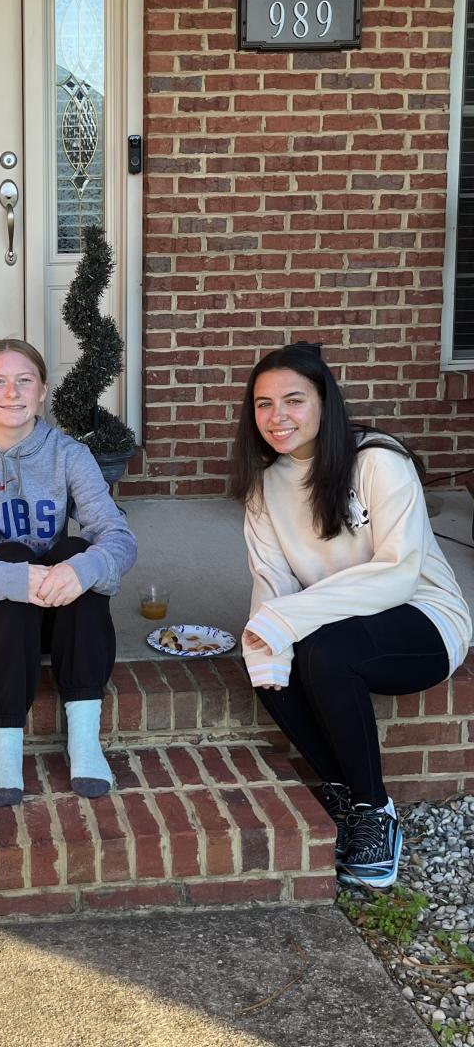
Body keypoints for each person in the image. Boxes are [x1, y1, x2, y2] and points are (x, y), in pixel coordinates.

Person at [230, 342, 471, 888]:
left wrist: (289, 620)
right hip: (334, 621)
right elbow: (272, 581)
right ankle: (341, 790)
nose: (277, 416)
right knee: (266, 652)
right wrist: (267, 636)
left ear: (324, 401)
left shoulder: (378, 460)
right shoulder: (265, 485)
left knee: (323, 650)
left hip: (423, 616)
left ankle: (373, 809)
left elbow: (399, 572)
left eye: (293, 400)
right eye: (264, 404)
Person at [0, 339, 137, 807]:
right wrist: (11, 579)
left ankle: (84, 738)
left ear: (42, 391)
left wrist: (84, 568)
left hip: (56, 616)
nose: (12, 392)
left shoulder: (69, 454)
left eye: (24, 381)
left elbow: (118, 536)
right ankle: (5, 744)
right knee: (11, 554)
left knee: (79, 551)